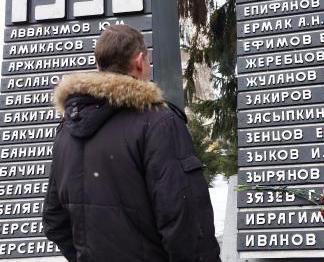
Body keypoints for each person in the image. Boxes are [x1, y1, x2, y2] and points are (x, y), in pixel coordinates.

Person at [42, 25, 221, 262]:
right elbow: (186, 223)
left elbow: (55, 220)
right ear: (139, 62)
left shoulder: (67, 129)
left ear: (99, 66)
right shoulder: (159, 122)